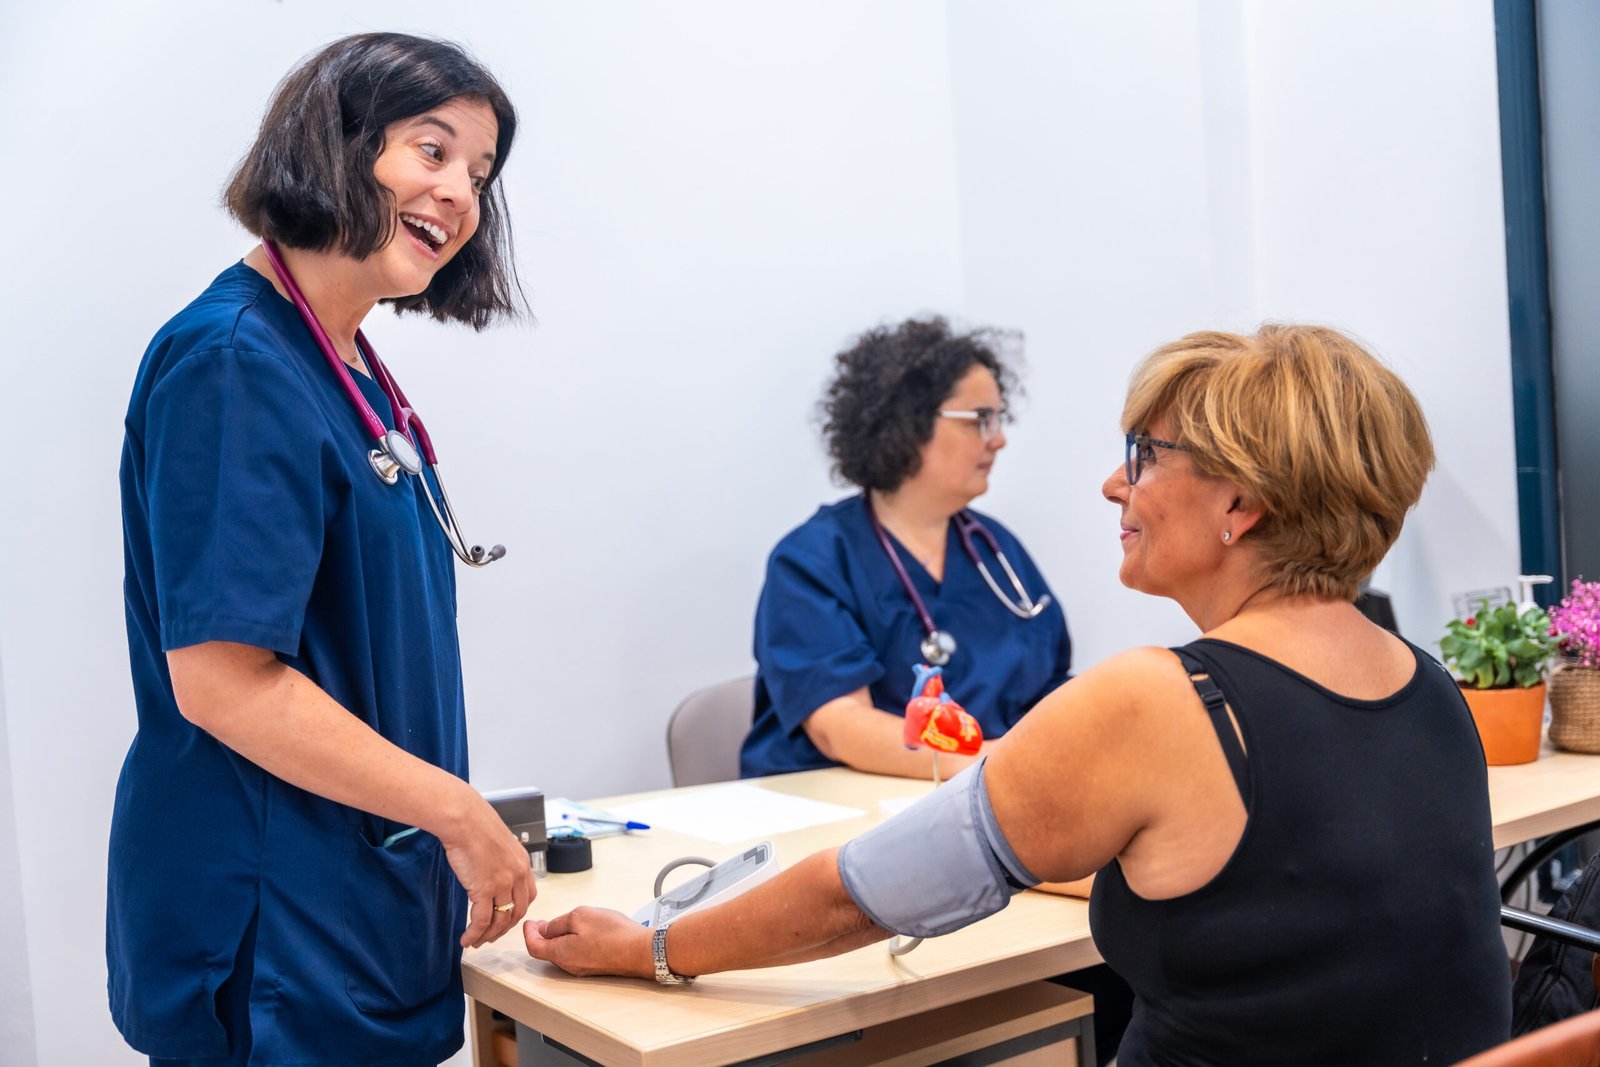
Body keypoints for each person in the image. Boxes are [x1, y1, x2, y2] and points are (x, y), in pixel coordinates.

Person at [525, 325, 1513, 1065]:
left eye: (1141, 457)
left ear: (1240, 505)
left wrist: (651, 946)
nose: (1110, 488)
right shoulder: (1423, 678)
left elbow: (857, 892)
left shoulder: (1164, 697)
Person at [109, 34, 535, 1065]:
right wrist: (458, 812)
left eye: (478, 173)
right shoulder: (233, 362)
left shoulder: (344, 365)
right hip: (272, 918)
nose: (459, 194)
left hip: (352, 888)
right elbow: (223, 681)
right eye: (431, 151)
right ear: (336, 144)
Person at [740, 317, 1073, 780]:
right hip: (848, 810)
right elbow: (839, 726)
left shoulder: (998, 551)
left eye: (998, 419)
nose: (999, 438)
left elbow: (1050, 693)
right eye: (980, 419)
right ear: (909, 425)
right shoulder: (813, 561)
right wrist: (993, 768)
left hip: (989, 800)